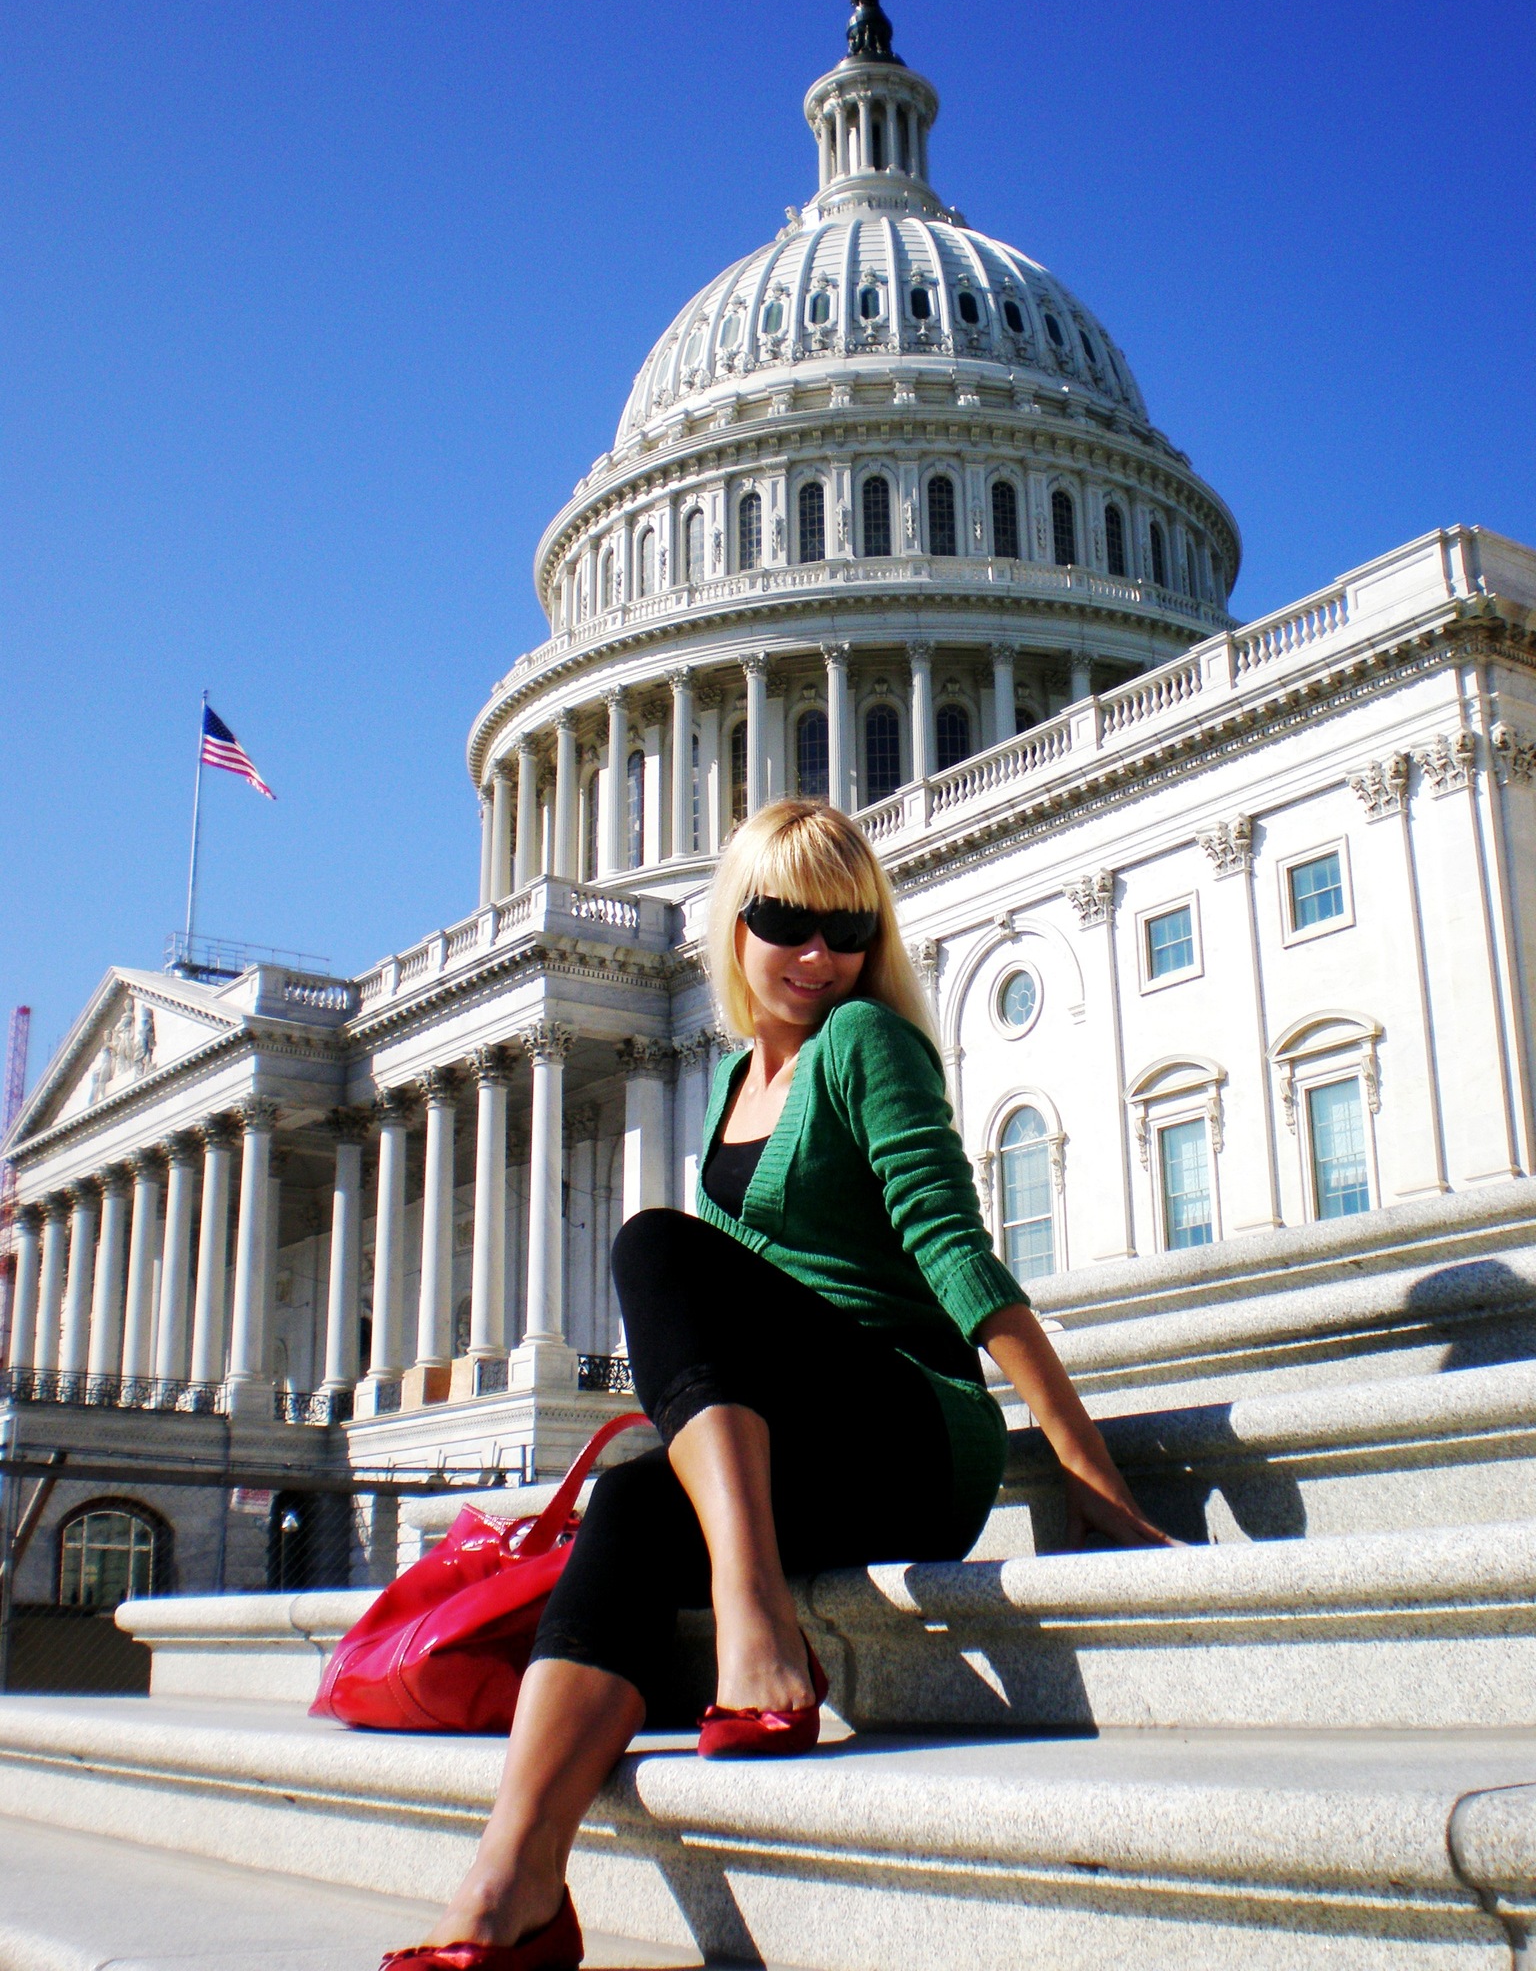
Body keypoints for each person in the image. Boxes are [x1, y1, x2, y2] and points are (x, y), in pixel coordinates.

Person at [384, 799, 1174, 1971]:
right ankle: (513, 1878)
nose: (819, 954)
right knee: (633, 1500)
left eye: (847, 928)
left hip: (910, 1425)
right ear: (735, 923)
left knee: (653, 1242)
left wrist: (1082, 1463)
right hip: (803, 1440)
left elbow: (952, 1244)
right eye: (787, 921)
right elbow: (733, 1315)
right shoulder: (732, 1079)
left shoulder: (867, 1040)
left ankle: (757, 1624)